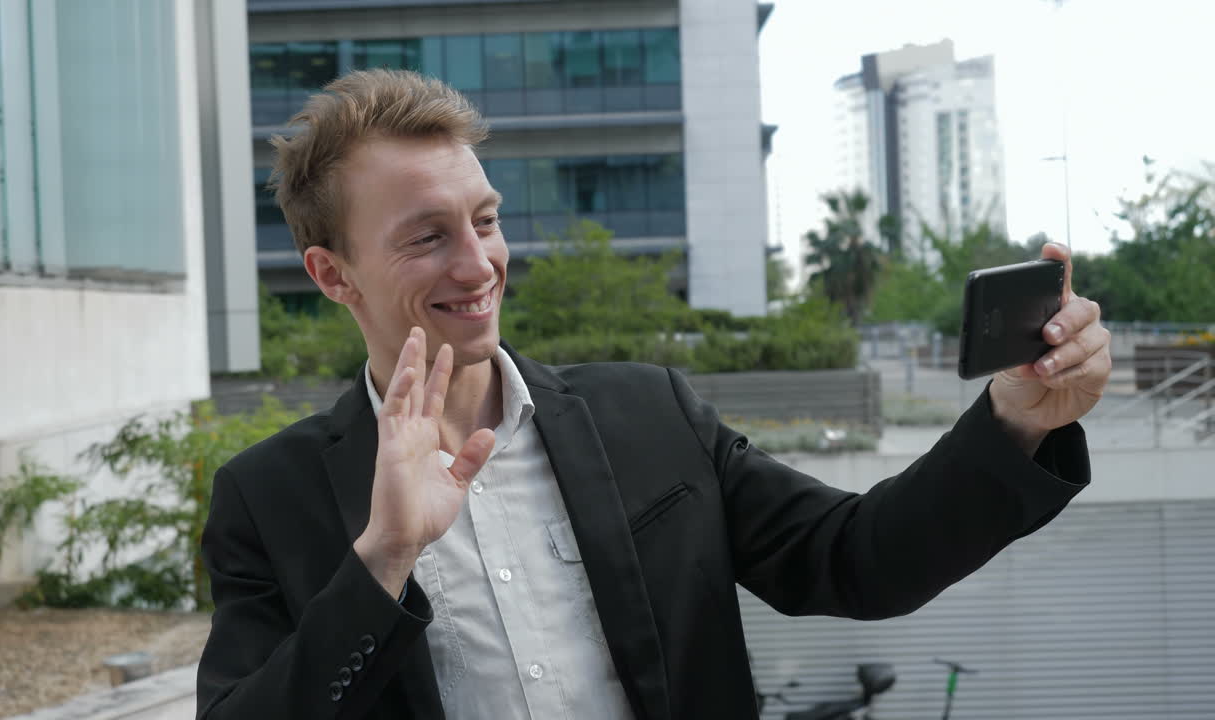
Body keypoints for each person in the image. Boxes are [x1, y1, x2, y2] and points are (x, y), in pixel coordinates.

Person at [195, 70, 1110, 720]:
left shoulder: (649, 414)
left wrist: (1014, 421)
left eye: (484, 221)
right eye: (426, 237)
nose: (478, 265)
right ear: (332, 273)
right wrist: (385, 559)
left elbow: (858, 559)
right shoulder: (267, 499)